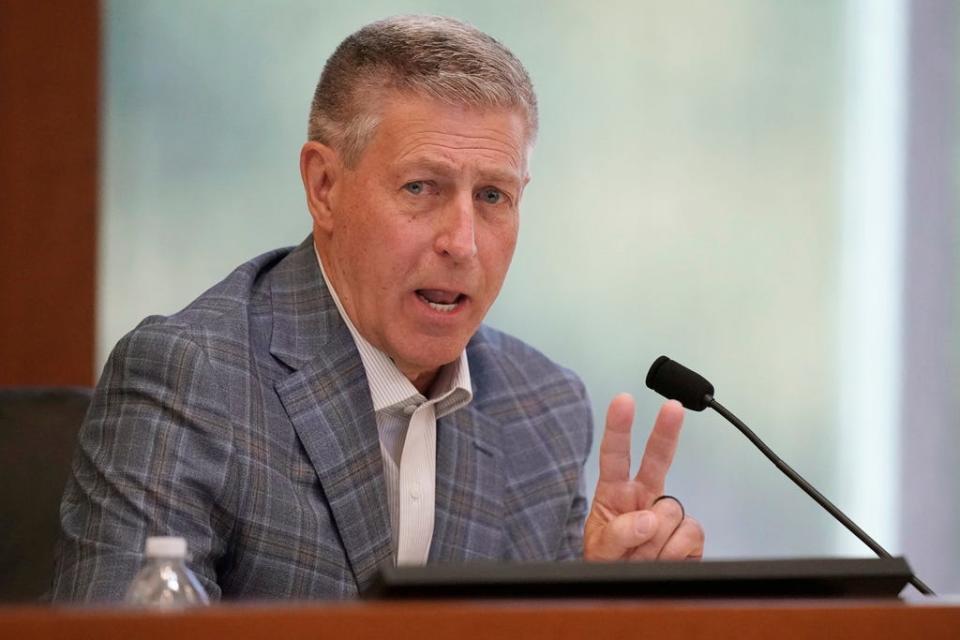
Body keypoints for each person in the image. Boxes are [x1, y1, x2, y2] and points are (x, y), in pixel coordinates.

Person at [52, 15, 703, 602]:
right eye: (421, 187)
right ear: (324, 187)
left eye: (494, 197)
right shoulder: (192, 380)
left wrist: (600, 603)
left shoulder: (543, 410)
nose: (462, 242)